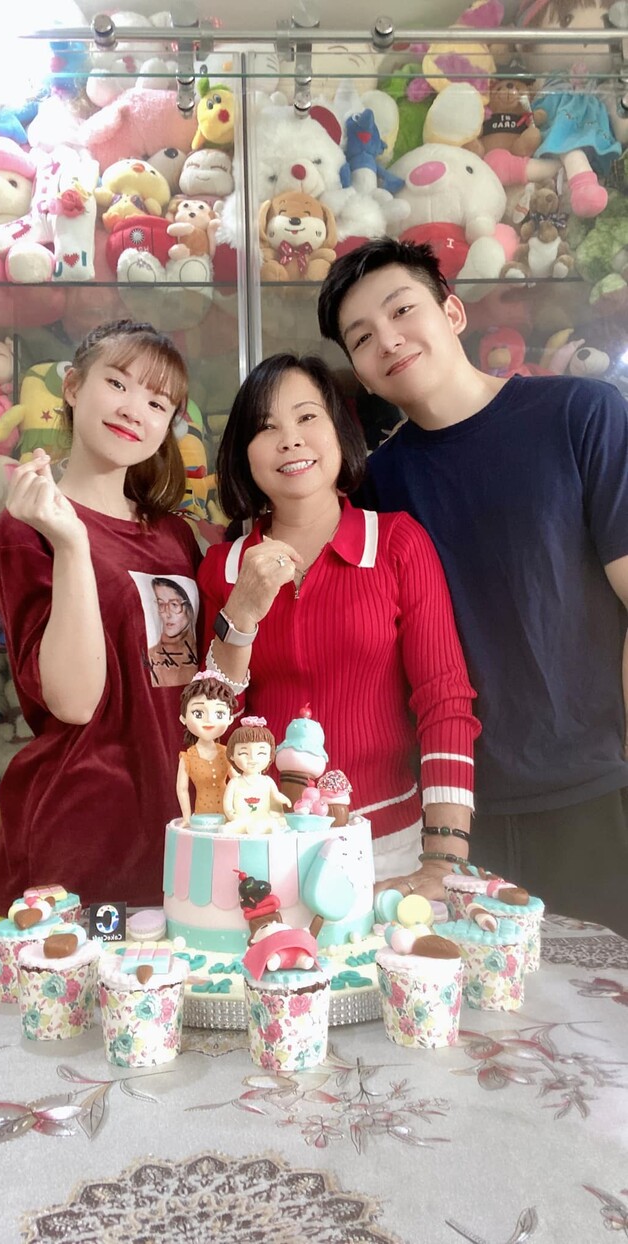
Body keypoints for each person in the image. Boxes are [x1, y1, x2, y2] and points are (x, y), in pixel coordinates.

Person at [317, 237, 628, 933]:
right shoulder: (376, 487)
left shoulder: (582, 414)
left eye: (403, 310)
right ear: (361, 374)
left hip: (595, 794)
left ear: (453, 312)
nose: (388, 340)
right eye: (362, 338)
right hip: (450, 815)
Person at [198, 352, 481, 898]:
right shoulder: (223, 568)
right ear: (243, 454)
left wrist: (444, 857)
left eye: (307, 417)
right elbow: (208, 725)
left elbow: (444, 699)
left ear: (339, 432)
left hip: (388, 845)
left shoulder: (397, 544)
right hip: (260, 844)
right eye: (266, 427)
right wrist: (242, 612)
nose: (290, 440)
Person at [0, 319, 201, 917]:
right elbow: (75, 703)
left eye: (157, 403)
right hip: (77, 847)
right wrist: (72, 543)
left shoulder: (175, 536)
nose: (134, 410)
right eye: (118, 384)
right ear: (74, 387)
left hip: (181, 842)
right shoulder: (28, 528)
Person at [176, 671, 237, 824]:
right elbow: (182, 789)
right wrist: (186, 818)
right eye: (198, 713)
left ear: (230, 718)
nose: (209, 720)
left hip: (229, 814)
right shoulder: (187, 758)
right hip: (202, 817)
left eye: (219, 714)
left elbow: (238, 781)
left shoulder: (226, 753)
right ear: (183, 718)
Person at [148, 576, 198, 687]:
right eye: (161, 604)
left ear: (189, 608)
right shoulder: (151, 655)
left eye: (174, 605)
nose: (167, 614)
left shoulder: (204, 647)